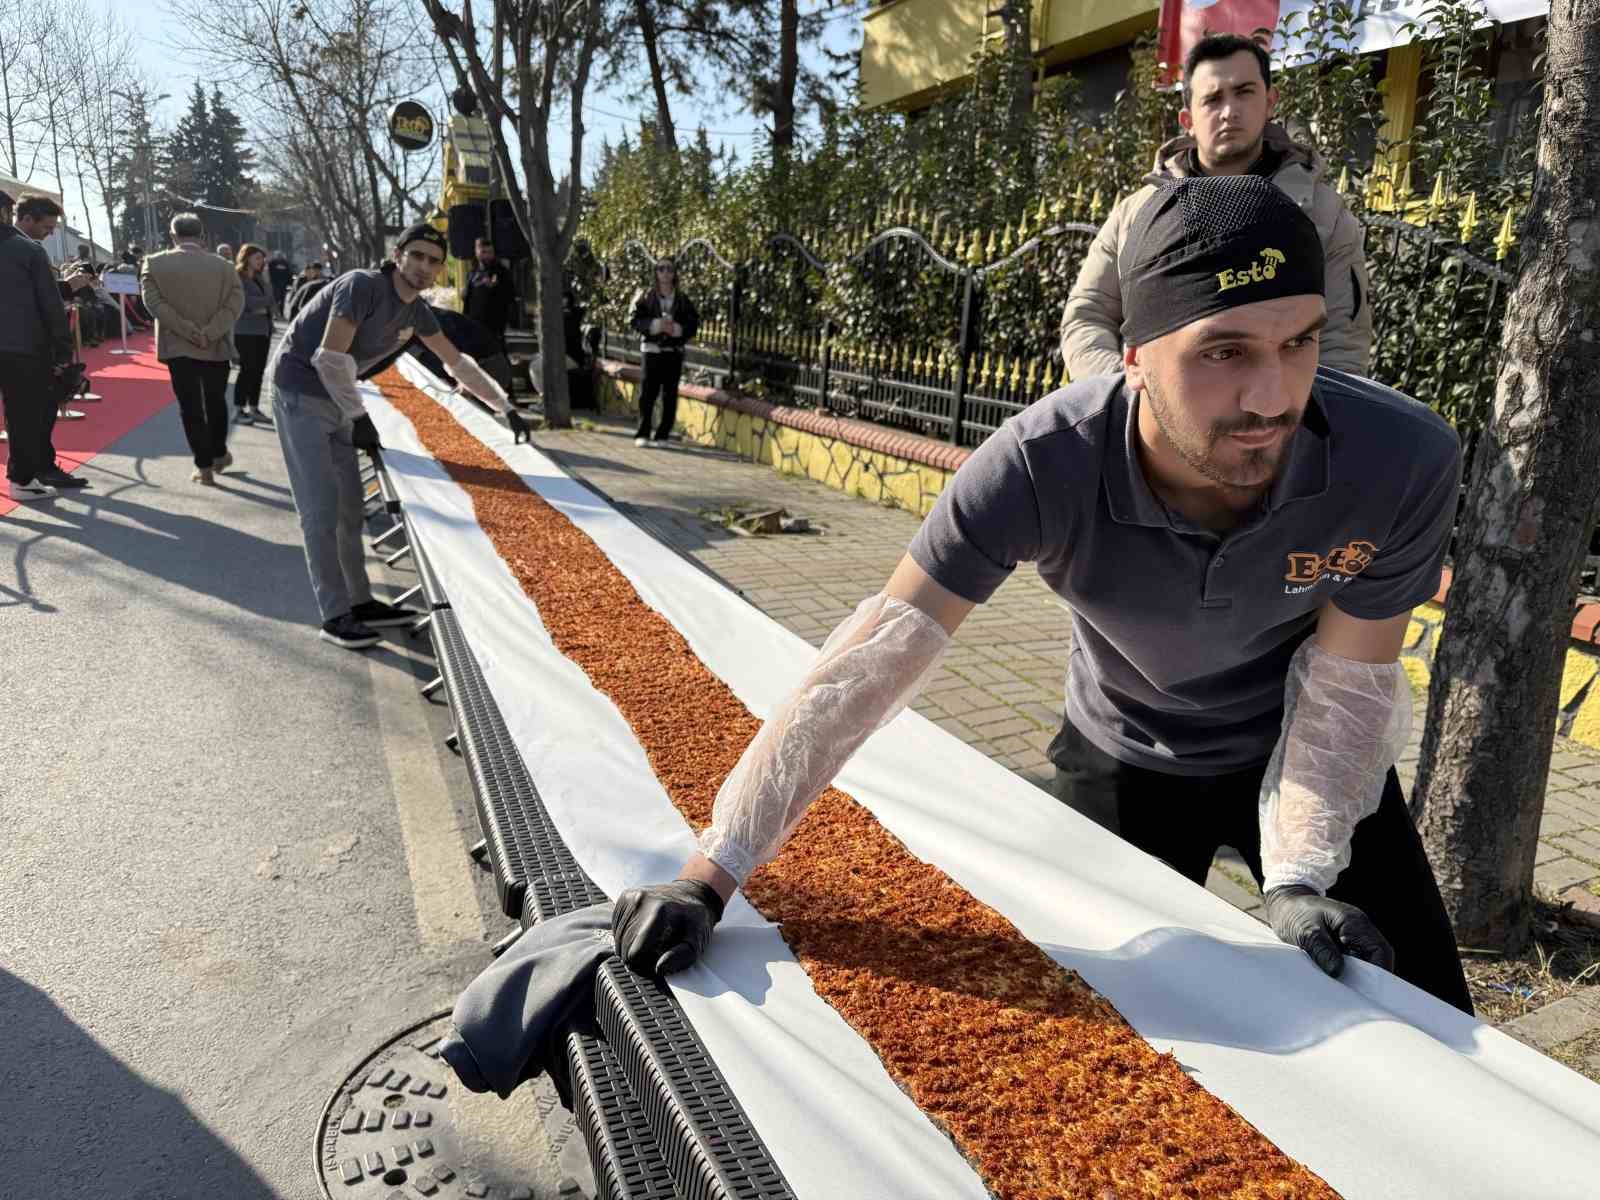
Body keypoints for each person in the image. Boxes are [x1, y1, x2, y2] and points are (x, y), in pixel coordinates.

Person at [612, 175, 1474, 1018]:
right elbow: (866, 671)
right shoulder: (1040, 465)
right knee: (1095, 1033)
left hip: (1299, 753)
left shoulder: (1399, 460)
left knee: (1428, 1012)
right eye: (1225, 351)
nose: (1273, 397)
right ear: (1133, 354)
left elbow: (1342, 692)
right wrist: (709, 877)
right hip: (1124, 757)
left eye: (1299, 343)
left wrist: (1297, 879)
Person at [1060, 33, 1372, 382]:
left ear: (1270, 101)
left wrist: (1286, 419)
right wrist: (1130, 396)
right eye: (1212, 99)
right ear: (1187, 119)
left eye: (1244, 92)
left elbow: (1342, 346)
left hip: (1271, 421)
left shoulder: (1322, 214)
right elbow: (1087, 316)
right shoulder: (1137, 213)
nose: (1229, 112)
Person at [269, 222, 516, 650]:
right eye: (416, 256)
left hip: (340, 402)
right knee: (320, 512)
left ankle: (361, 602)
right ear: (398, 254)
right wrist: (357, 415)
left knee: (350, 509)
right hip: (301, 395)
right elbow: (328, 359)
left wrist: (504, 407)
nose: (424, 267)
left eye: (434, 262)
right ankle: (334, 616)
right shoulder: (361, 286)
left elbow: (456, 363)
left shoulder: (416, 310)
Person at [141, 213, 246, 486]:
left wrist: (187, 331)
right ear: (202, 236)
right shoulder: (225, 267)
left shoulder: (154, 264)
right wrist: (209, 332)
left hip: (178, 346)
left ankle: (204, 465)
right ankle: (220, 452)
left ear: (172, 235)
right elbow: (235, 306)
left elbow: (154, 305)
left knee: (190, 407)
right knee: (216, 401)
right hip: (215, 345)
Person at [0, 193, 91, 500]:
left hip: (19, 343)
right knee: (25, 413)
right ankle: (23, 479)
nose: (49, 232)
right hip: (22, 347)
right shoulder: (27, 250)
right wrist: (62, 350)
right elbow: (49, 305)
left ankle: (31, 473)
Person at [628, 258, 699, 448]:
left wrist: (676, 329)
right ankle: (643, 433)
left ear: (674, 273)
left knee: (669, 394)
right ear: (655, 272)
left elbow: (692, 324)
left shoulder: (682, 300)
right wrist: (655, 326)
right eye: (661, 269)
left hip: (673, 352)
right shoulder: (645, 296)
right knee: (647, 394)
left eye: (669, 269)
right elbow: (634, 320)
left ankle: (663, 435)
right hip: (651, 351)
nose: (665, 273)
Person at [232, 243, 274, 424]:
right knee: (246, 370)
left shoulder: (260, 277)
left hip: (263, 330)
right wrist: (262, 304)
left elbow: (271, 299)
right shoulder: (238, 277)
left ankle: (254, 407)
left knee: (258, 371)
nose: (261, 261)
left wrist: (263, 304)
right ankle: (239, 409)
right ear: (246, 258)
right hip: (245, 331)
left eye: (262, 258)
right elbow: (246, 303)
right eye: (257, 258)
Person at [462, 237, 516, 351]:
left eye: (490, 252)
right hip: (473, 325)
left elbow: (511, 295)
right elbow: (468, 299)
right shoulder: (472, 273)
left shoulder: (501, 272)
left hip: (494, 327)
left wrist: (495, 288)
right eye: (483, 252)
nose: (487, 256)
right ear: (477, 252)